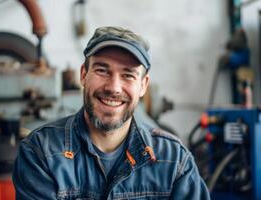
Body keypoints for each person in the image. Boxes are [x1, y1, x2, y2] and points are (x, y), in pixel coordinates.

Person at [12, 26, 210, 200]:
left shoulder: (174, 160)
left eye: (128, 75)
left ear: (143, 86)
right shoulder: (41, 152)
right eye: (102, 70)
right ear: (83, 75)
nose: (114, 88)